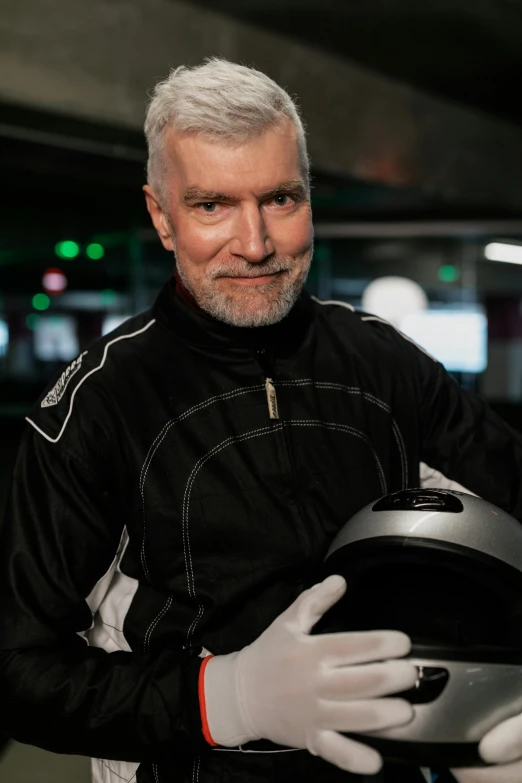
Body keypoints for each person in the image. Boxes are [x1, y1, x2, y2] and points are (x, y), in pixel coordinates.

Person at [1, 58, 522, 783]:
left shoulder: (383, 361)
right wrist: (228, 695)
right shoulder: (99, 407)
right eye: (213, 205)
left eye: (280, 198)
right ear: (161, 215)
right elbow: (19, 669)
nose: (254, 243)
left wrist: (499, 690)